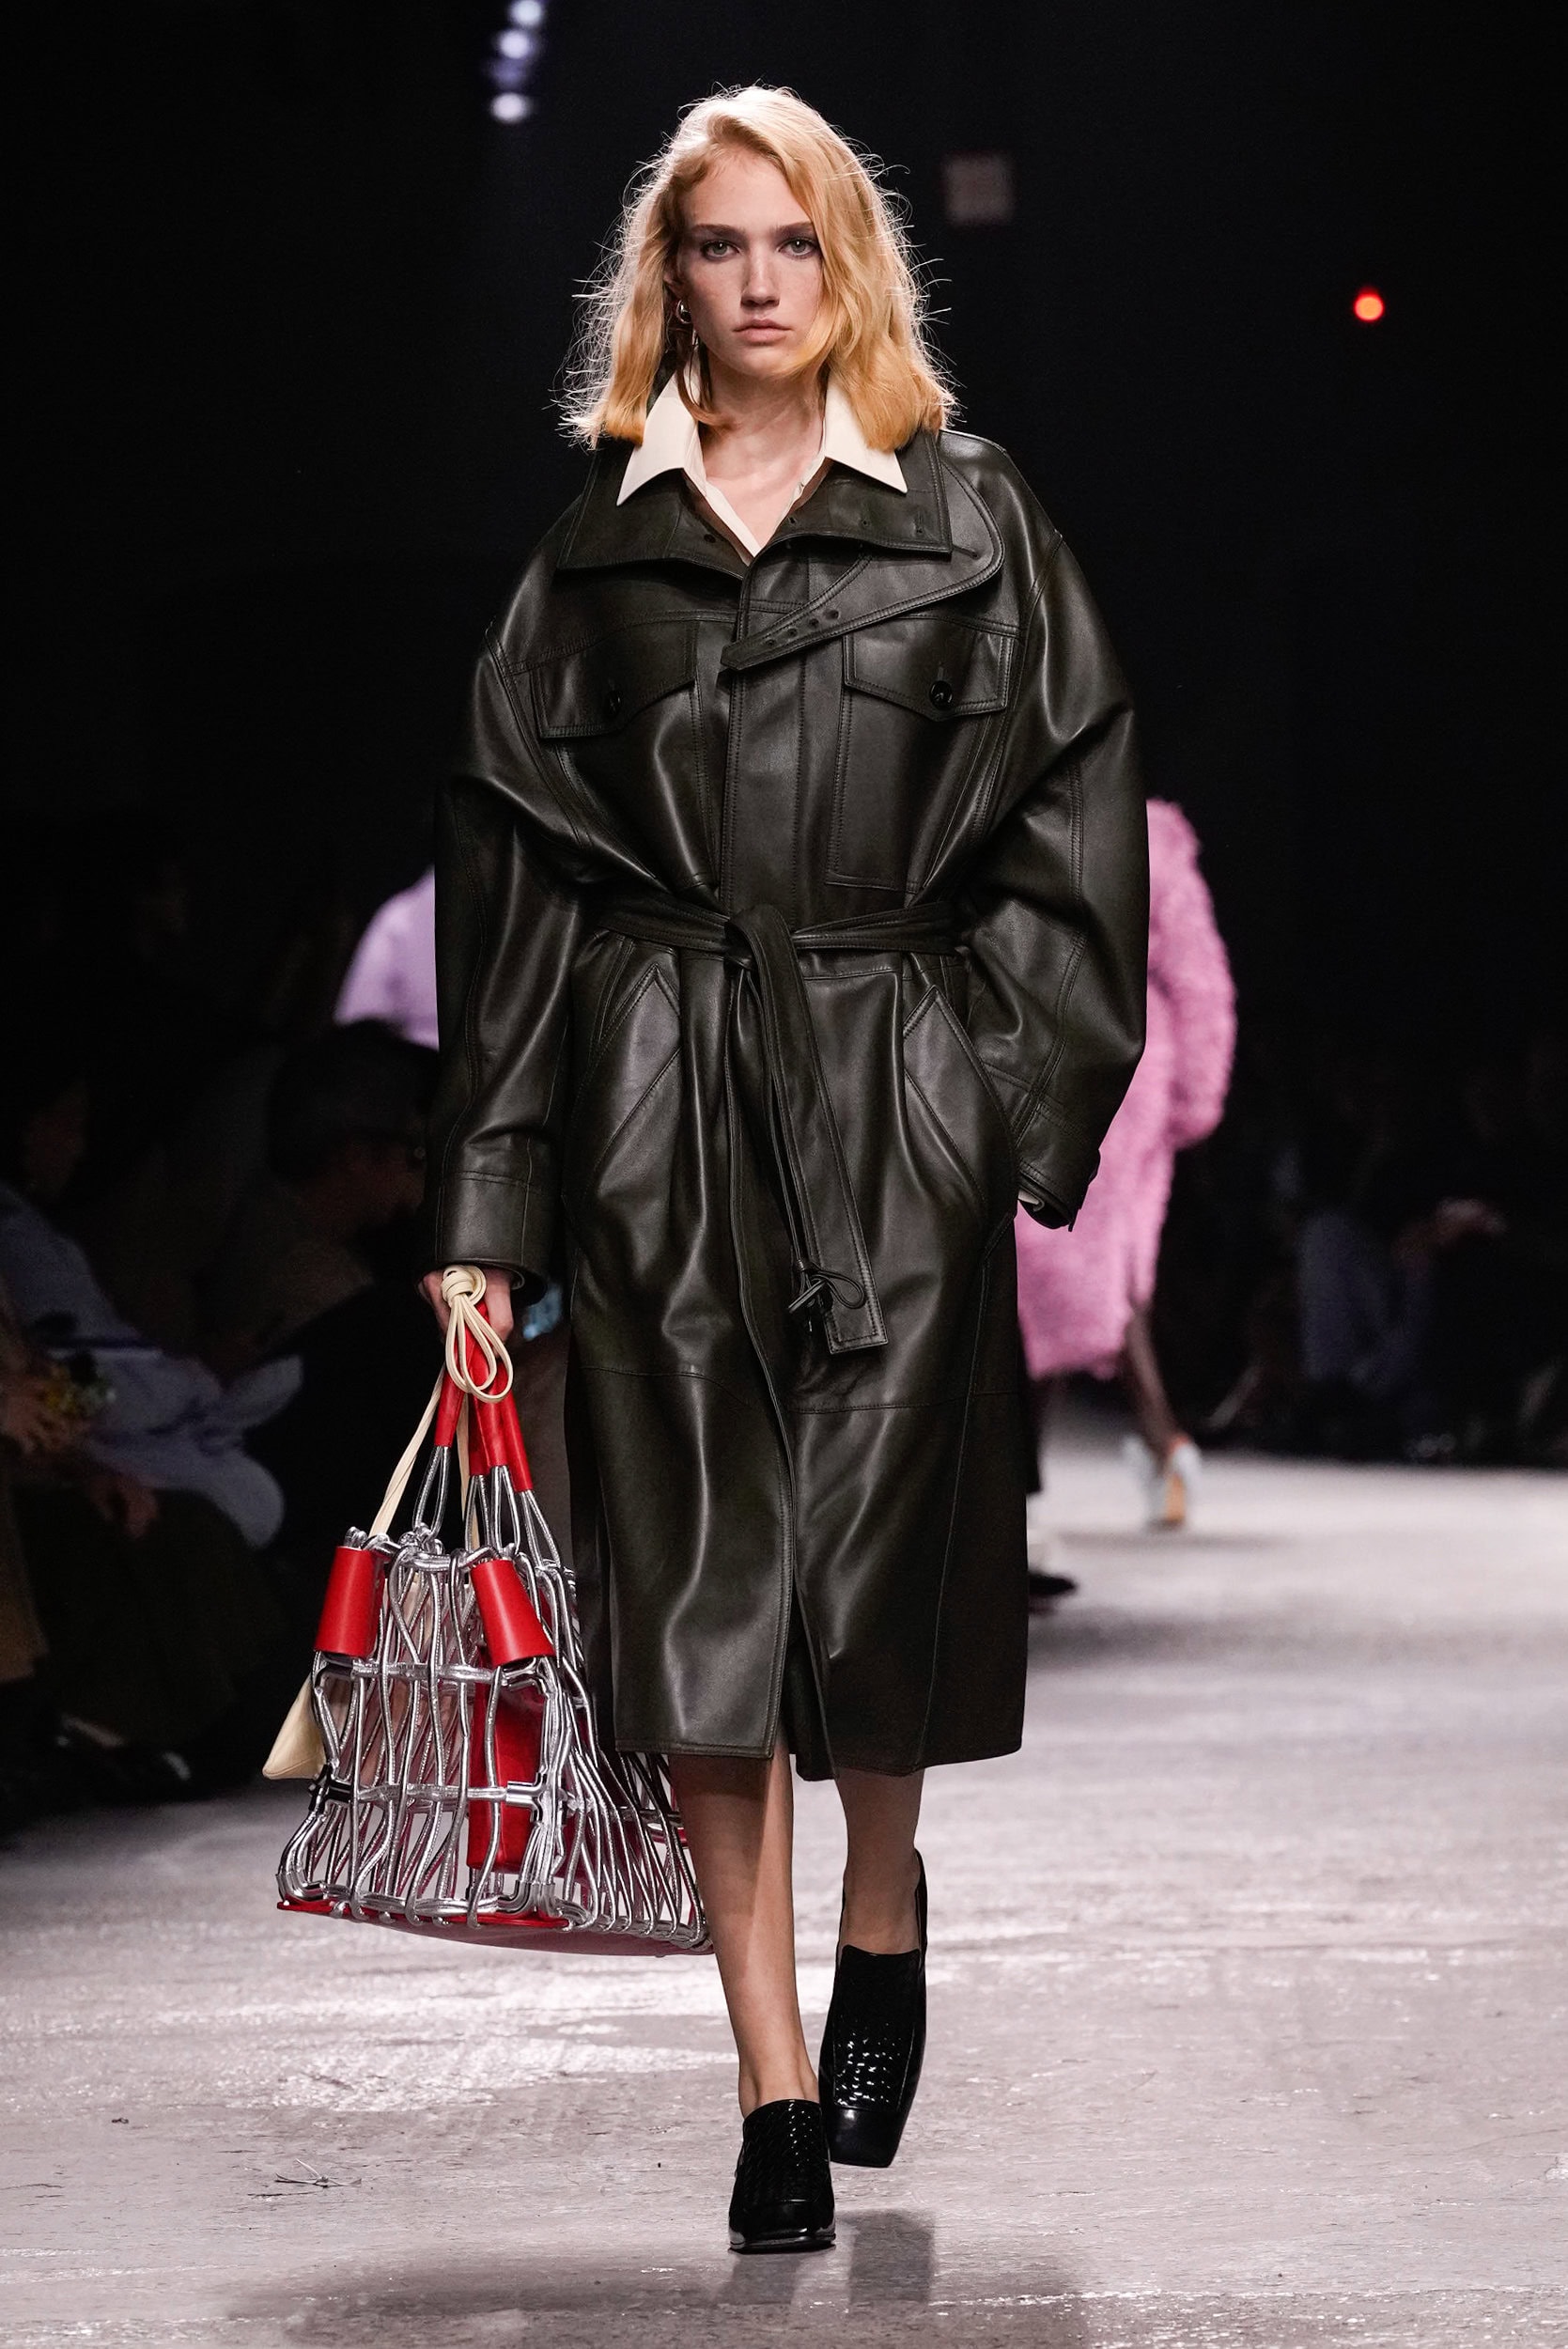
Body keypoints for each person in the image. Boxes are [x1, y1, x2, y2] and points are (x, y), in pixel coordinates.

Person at [417, 87, 1148, 2253]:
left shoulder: (967, 512)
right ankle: (764, 2082)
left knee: (878, 1577)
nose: (756, 283)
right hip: (658, 1100)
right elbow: (516, 889)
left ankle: (884, 1898)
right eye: (717, 246)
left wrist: (987, 1089)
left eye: (793, 242)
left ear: (852, 264)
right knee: (702, 1597)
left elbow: (1075, 802)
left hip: (886, 1091)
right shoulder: (594, 556)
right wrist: (487, 1207)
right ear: (668, 277)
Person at [1016, 799, 1234, 1540]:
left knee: (1046, 1267)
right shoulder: (1148, 834)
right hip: (1127, 1058)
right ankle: (1161, 1442)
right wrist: (1194, 1092)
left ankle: (1017, 1483)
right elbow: (1197, 971)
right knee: (1094, 1272)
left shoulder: (1021, 815)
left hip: (1060, 1056)